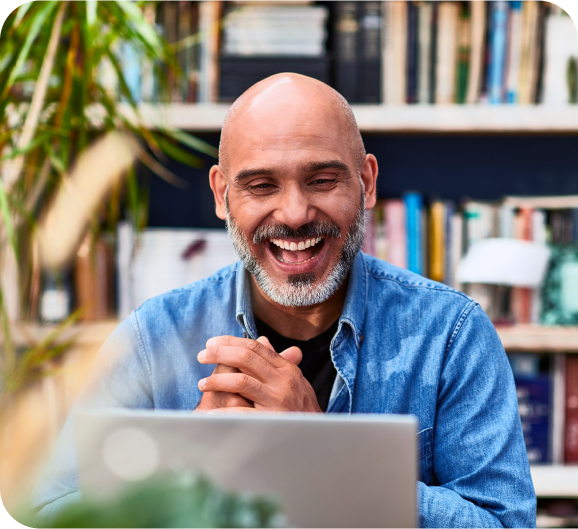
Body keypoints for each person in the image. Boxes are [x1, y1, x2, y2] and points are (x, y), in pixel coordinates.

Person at [32, 73, 536, 528]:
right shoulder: (152, 338)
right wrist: (181, 472)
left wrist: (321, 455)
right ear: (221, 195)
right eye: (261, 185)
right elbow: (50, 514)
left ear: (366, 183)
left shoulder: (452, 334)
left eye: (321, 180)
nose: (294, 214)